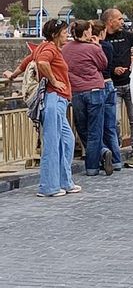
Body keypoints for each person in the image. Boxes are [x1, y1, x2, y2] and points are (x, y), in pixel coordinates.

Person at [4, 20, 80, 197]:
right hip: (53, 99)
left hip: (57, 100)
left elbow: (26, 63)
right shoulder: (50, 49)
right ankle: (49, 187)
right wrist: (54, 81)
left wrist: (12, 75)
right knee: (53, 143)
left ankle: (64, 181)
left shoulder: (43, 47)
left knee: (67, 140)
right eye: (63, 31)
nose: (66, 34)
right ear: (55, 34)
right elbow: (42, 63)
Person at [62, 20, 113, 177]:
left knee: (82, 127)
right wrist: (97, 46)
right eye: (90, 30)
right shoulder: (93, 48)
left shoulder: (65, 49)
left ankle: (101, 154)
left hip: (76, 91)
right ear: (86, 33)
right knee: (95, 129)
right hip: (95, 89)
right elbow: (103, 64)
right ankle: (94, 164)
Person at [101, 8, 133, 168]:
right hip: (113, 84)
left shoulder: (126, 36)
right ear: (110, 21)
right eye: (119, 19)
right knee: (115, 121)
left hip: (129, 82)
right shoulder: (102, 38)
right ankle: (116, 151)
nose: (122, 22)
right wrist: (113, 69)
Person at [89, 20, 123, 173]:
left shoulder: (92, 47)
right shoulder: (109, 46)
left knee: (96, 127)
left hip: (97, 85)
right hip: (110, 83)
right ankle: (116, 160)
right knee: (110, 126)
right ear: (102, 32)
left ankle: (101, 152)